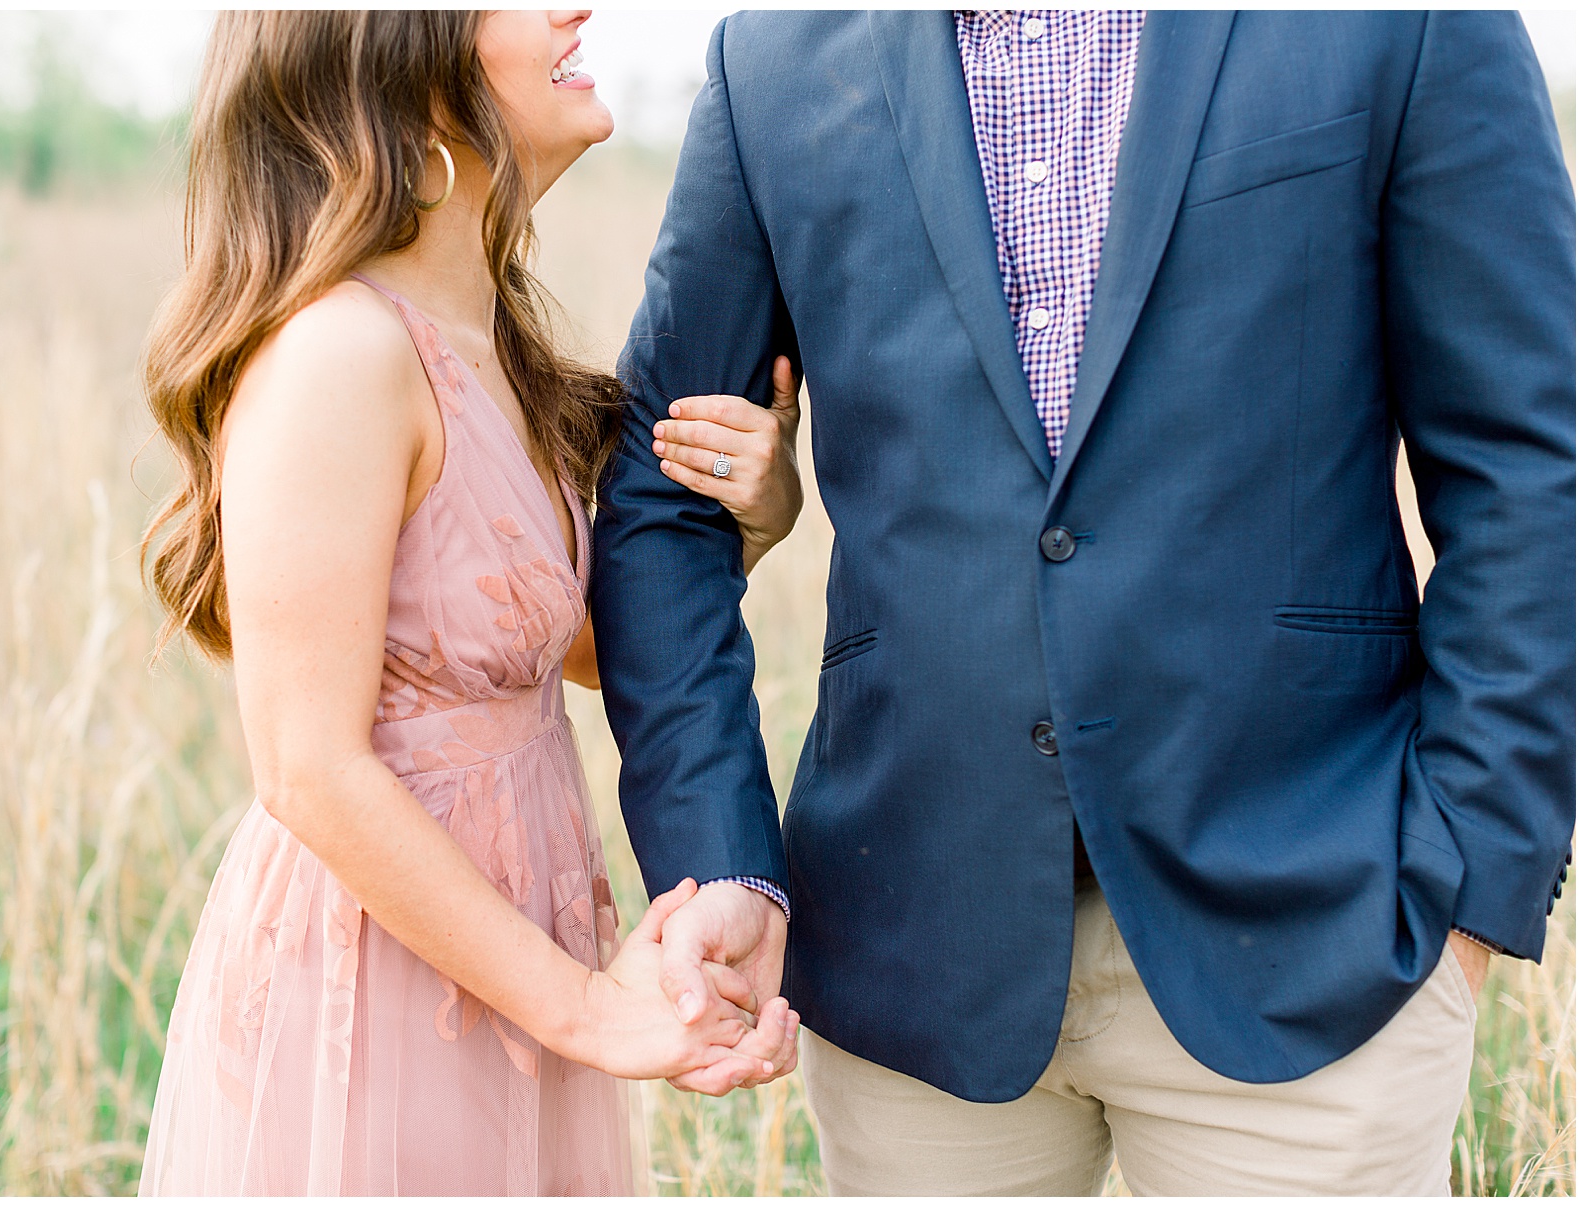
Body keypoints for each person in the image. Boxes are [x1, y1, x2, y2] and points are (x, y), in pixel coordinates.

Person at [593, 9, 1574, 1195]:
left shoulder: (1403, 22)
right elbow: (662, 502)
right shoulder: (772, 63)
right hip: (913, 958)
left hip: (1324, 933)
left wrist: (1474, 880)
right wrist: (724, 863)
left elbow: (1523, 467)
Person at [136, 11, 802, 1195]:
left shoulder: (493, 344)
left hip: (506, 962)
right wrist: (591, 1011)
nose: (573, 12)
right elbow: (307, 765)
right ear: (411, 69)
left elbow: (570, 647)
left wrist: (747, 524)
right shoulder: (340, 350)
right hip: (379, 983)